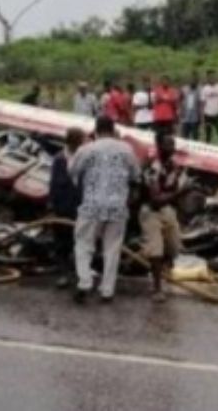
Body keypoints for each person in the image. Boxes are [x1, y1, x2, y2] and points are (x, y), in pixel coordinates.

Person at [70, 116, 141, 304]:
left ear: (96, 130)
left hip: (92, 204)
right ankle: (107, 290)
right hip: (117, 206)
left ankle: (85, 282)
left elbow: (73, 170)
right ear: (113, 129)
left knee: (84, 244)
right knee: (112, 249)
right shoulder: (126, 150)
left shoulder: (86, 149)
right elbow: (136, 174)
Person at [140, 133, 183, 303]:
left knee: (174, 246)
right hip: (150, 210)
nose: (171, 149)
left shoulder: (173, 166)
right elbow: (155, 200)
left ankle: (161, 271)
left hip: (167, 209)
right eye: (168, 145)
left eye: (173, 145)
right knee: (155, 248)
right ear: (159, 147)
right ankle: (157, 287)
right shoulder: (152, 166)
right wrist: (181, 192)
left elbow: (171, 193)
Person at [49, 127, 85, 289]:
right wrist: (52, 206)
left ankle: (79, 274)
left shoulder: (83, 158)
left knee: (80, 242)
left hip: (80, 208)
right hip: (63, 207)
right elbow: (54, 186)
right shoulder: (60, 160)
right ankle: (63, 274)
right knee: (62, 242)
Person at [200, 69, 218, 144]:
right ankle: (207, 149)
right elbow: (202, 103)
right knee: (208, 134)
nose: (212, 78)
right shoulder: (205, 89)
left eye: (213, 76)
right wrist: (202, 116)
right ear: (207, 78)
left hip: (217, 114)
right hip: (207, 114)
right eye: (210, 77)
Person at [180, 72, 201, 140]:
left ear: (197, 81)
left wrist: (200, 116)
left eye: (195, 80)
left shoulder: (199, 90)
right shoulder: (184, 89)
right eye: (192, 79)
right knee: (184, 137)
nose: (193, 81)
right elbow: (179, 99)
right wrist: (180, 110)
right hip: (185, 117)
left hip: (195, 118)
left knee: (195, 137)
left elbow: (200, 104)